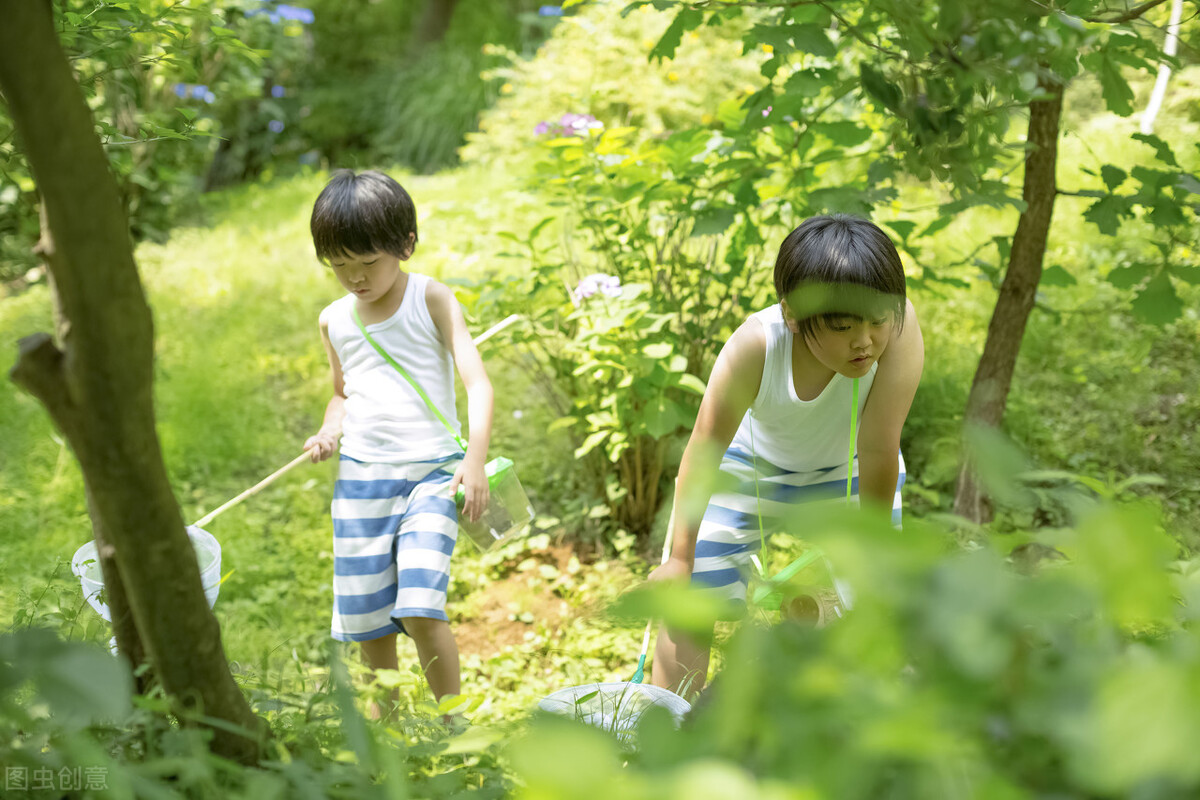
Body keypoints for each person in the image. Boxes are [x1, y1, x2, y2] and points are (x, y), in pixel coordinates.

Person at [649, 214, 923, 695]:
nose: (865, 341)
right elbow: (704, 451)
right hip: (753, 469)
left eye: (877, 320)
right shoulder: (756, 346)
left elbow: (879, 447)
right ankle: (672, 727)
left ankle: (878, 723)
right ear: (793, 315)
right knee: (692, 593)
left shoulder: (900, 331)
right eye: (842, 326)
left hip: (852, 471)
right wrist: (679, 558)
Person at [304, 169, 494, 715]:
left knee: (420, 606)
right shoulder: (334, 320)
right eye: (341, 266)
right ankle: (389, 730)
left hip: (434, 475)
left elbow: (478, 384)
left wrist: (474, 462)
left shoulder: (431, 299)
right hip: (362, 480)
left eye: (368, 263)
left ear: (405, 244)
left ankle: (455, 723)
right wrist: (328, 431)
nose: (356, 278)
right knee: (366, 619)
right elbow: (341, 394)